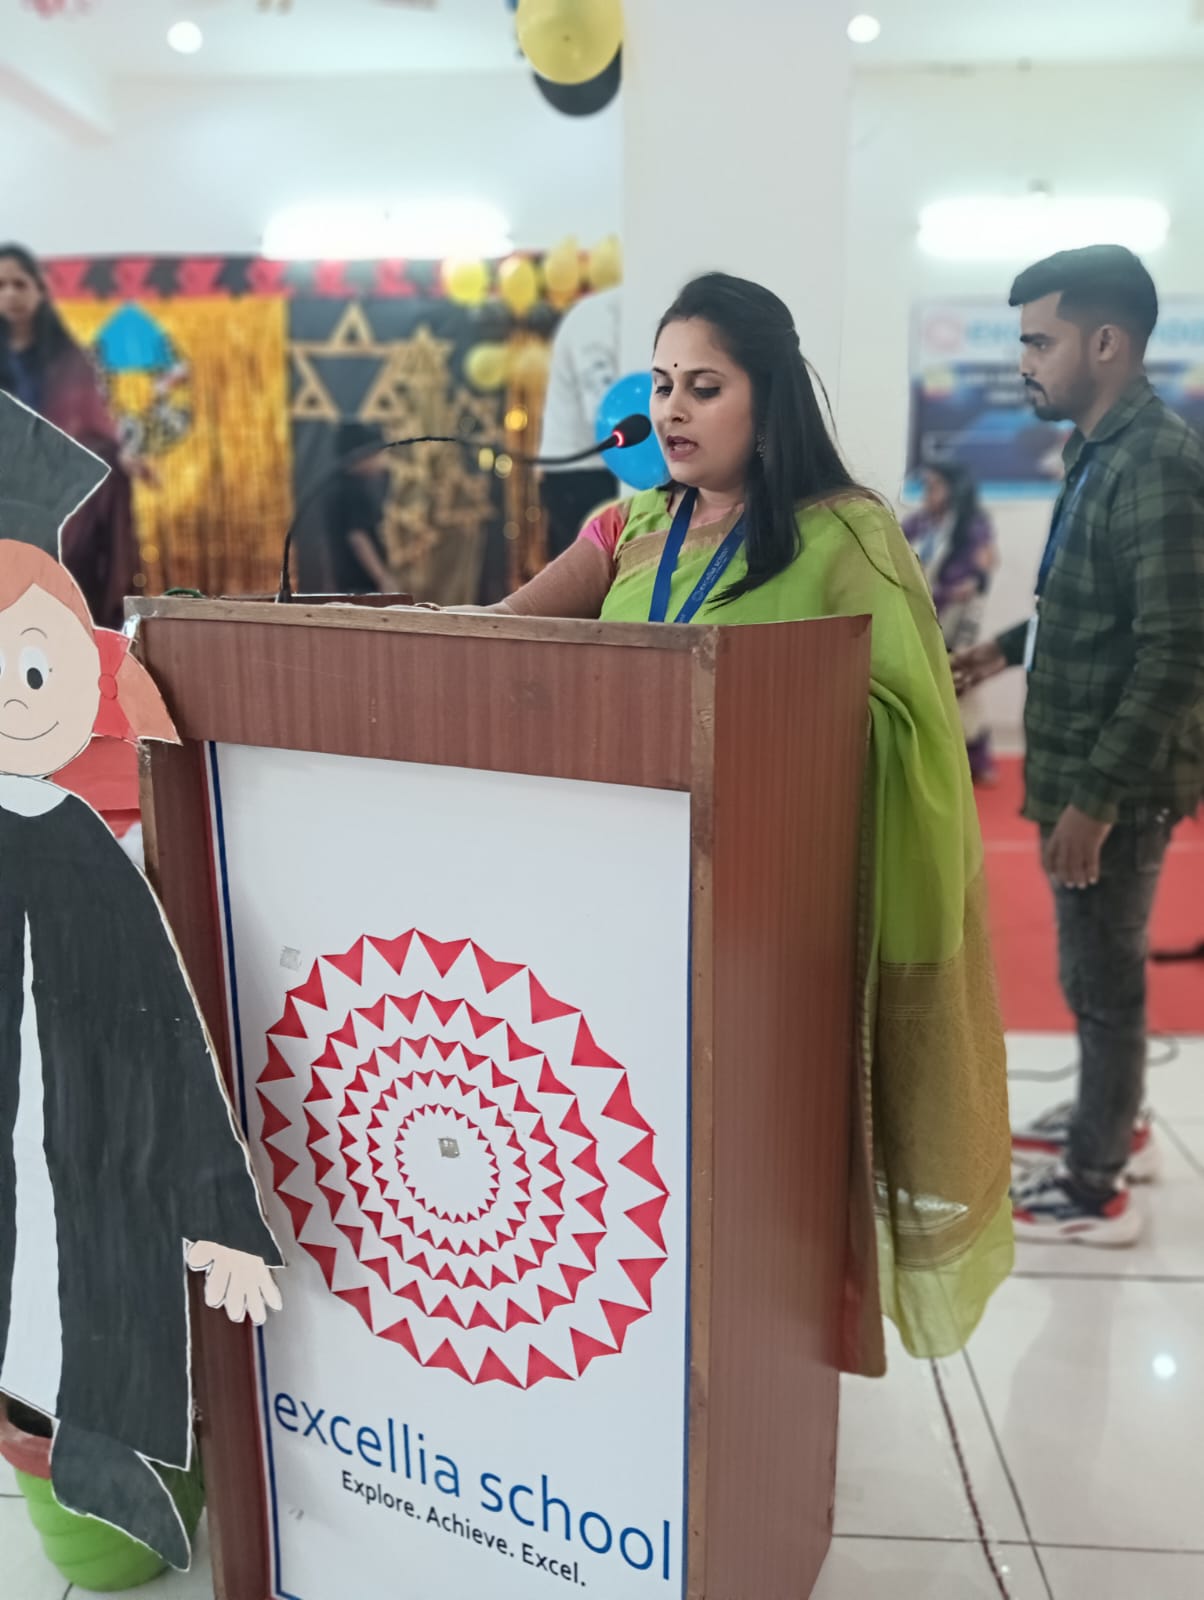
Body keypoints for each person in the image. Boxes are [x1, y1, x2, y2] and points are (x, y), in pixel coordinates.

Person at [461, 272, 1013, 1373]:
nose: (671, 409)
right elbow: (491, 643)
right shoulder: (628, 526)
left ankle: (750, 1366)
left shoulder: (846, 533)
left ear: (769, 399)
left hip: (766, 924)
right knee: (622, 1160)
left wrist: (761, 708)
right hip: (612, 907)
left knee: (742, 1187)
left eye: (703, 387)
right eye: (662, 383)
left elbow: (912, 724)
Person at [953, 245, 1204, 1245]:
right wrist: (998, 651)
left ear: (1106, 343)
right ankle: (1115, 1120)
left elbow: (1179, 648)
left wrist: (1094, 803)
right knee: (1096, 973)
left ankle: (1097, 1183)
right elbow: (1084, 606)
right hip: (1085, 768)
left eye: (1038, 342)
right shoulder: (1100, 449)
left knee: (1100, 982)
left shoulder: (1157, 462)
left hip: (1116, 784)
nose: (1024, 362)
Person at [0, 244, 147, 630]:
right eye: (0, 285)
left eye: (19, 284)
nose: (10, 294)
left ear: (39, 290)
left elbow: (94, 427)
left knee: (69, 561)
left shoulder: (68, 359)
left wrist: (120, 454)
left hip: (56, 488)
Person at [903, 463, 1001, 784]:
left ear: (953, 489)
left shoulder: (972, 524)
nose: (927, 494)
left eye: (934, 486)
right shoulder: (920, 522)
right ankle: (942, 758)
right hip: (923, 611)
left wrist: (973, 583)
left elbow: (986, 564)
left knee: (960, 683)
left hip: (956, 616)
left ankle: (977, 757)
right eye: (925, 487)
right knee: (933, 687)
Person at [537, 285, 621, 560]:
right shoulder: (597, 320)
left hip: (605, 468)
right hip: (580, 473)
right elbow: (600, 412)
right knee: (585, 575)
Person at [323, 421, 394, 594]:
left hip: (346, 581)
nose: (381, 461)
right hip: (362, 584)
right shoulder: (353, 491)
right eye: (376, 455)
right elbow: (358, 538)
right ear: (361, 456)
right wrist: (382, 578)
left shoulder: (336, 487)